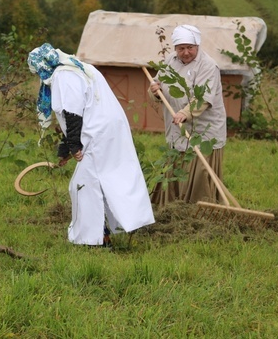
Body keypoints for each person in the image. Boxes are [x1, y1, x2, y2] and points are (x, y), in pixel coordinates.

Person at [28, 43, 155, 246]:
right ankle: (113, 230)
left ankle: (92, 238)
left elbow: (72, 113)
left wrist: (74, 146)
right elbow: (75, 113)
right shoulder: (78, 67)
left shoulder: (63, 75)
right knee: (110, 179)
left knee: (82, 185)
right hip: (110, 130)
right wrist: (66, 150)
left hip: (97, 134)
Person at [149, 24, 226, 207]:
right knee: (175, 166)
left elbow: (203, 99)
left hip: (203, 130)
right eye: (181, 48)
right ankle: (171, 208)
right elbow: (157, 83)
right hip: (177, 127)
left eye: (190, 48)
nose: (185, 53)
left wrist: (184, 113)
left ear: (197, 46)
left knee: (198, 169)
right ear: (175, 48)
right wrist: (154, 90)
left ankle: (198, 210)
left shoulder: (208, 66)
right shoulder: (170, 60)